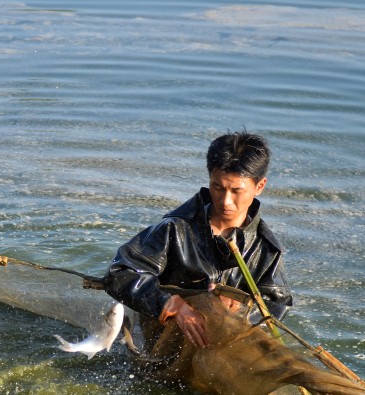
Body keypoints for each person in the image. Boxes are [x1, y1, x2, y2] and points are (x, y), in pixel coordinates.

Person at [103, 131, 292, 350]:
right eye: (217, 187)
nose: (226, 201)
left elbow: (277, 306)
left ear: (259, 186)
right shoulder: (175, 229)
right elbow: (119, 273)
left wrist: (241, 311)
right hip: (163, 344)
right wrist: (169, 303)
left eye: (236, 191)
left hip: (222, 348)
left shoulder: (266, 250)